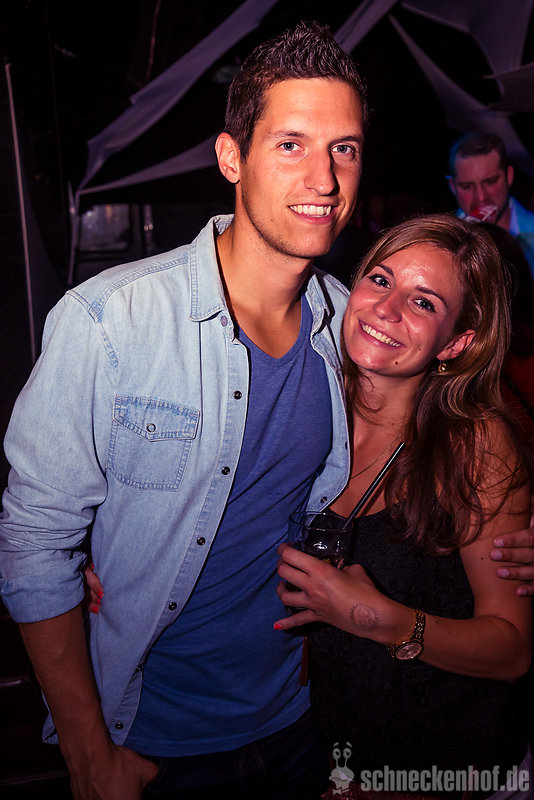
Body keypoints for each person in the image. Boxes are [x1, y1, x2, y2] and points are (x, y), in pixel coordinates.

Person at [0, 20, 533, 800]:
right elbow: (34, 541)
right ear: (231, 158)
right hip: (151, 741)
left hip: (303, 725)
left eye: (343, 148)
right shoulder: (111, 321)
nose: (324, 178)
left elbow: (459, 426)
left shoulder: (351, 326)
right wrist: (87, 751)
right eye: (291, 144)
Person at [276, 214, 533, 800]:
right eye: (380, 280)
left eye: (423, 302)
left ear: (457, 342)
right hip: (315, 762)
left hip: (445, 774)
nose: (386, 310)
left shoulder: (473, 444)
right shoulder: (303, 407)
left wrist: (381, 618)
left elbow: (513, 649)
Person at [446, 131, 534, 278]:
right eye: (467, 186)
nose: (481, 197)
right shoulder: (442, 241)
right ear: (452, 186)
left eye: (490, 182)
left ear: (509, 176)